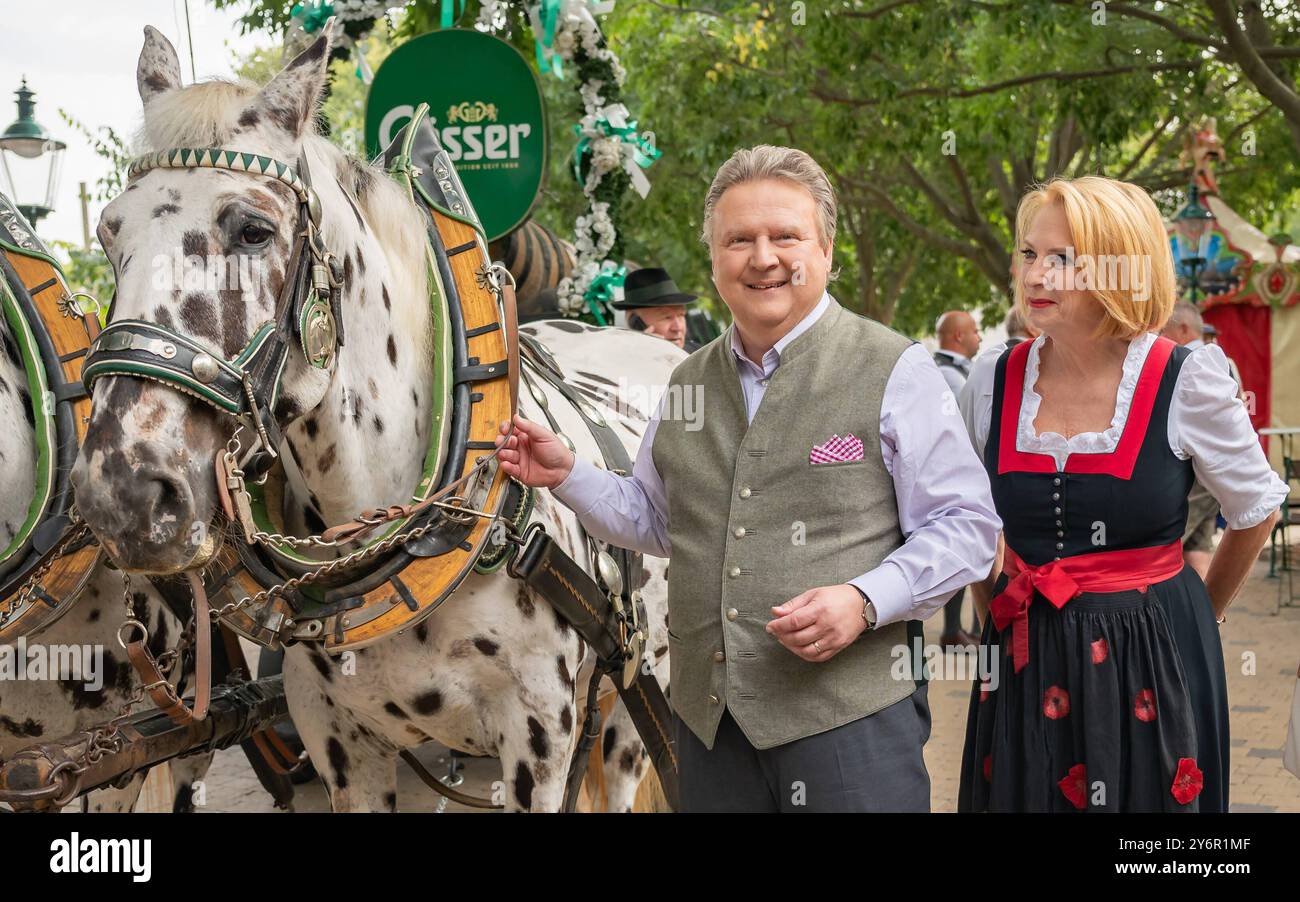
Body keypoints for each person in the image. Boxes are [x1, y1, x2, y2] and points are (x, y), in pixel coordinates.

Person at [497, 145, 1001, 813]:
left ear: (824, 248)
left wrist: (864, 600)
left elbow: (968, 529)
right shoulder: (687, 381)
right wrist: (566, 473)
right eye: (739, 240)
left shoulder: (895, 369)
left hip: (851, 732)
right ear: (714, 259)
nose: (762, 257)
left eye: (784, 236)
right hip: (712, 736)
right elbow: (653, 517)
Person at [958, 176, 1286, 813]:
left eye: (1063, 260)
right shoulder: (993, 377)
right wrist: (997, 606)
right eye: (1029, 255)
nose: (1036, 276)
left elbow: (1256, 508)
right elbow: (971, 519)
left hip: (1151, 659)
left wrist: (1196, 616)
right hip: (1027, 653)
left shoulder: (1184, 379)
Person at [932, 310, 983, 648]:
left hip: (954, 473)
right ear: (959, 337)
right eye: (976, 330)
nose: (980, 336)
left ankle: (963, 629)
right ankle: (955, 629)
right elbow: (971, 417)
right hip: (957, 474)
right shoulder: (951, 376)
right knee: (967, 550)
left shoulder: (955, 370)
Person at [1161, 302, 1221, 580]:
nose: (1160, 335)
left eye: (1165, 329)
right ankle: (1207, 614)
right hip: (1213, 472)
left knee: (1163, 546)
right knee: (1198, 546)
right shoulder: (1221, 359)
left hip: (1194, 473)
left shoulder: (1188, 362)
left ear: (1183, 328)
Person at [612, 267, 697, 350]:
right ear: (634, 321)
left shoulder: (699, 356)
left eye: (681, 315)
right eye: (667, 317)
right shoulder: (620, 360)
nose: (678, 328)